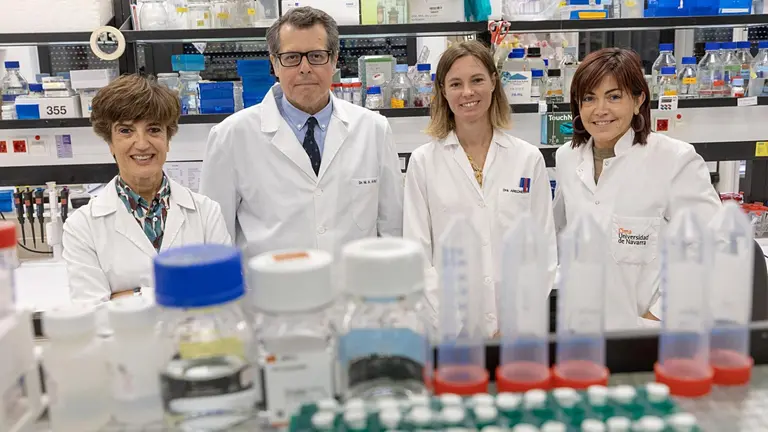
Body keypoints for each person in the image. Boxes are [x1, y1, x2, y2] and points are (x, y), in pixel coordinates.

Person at [200, 7, 403, 260]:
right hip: (271, 296)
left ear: (334, 60)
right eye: (292, 57)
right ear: (274, 63)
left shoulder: (373, 130)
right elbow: (215, 240)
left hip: (355, 294)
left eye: (317, 56)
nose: (305, 68)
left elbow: (393, 230)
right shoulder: (230, 137)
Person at [553, 48, 721, 330]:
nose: (600, 110)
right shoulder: (567, 158)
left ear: (638, 99)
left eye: (614, 96)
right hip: (579, 326)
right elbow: (561, 234)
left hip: (647, 329)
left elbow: (712, 245)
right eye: (589, 98)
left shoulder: (674, 159)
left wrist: (659, 314)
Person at [403, 40, 558, 336]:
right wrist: (450, 320)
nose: (467, 92)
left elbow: (542, 253)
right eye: (456, 84)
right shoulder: (423, 162)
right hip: (448, 328)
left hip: (517, 329)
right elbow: (417, 256)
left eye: (477, 80)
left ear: (493, 83)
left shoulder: (527, 159)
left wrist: (513, 322)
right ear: (443, 92)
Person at [63, 74, 231, 304]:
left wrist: (130, 296)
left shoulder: (206, 213)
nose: (142, 144)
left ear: (168, 139)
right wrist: (184, 292)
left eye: (153, 129)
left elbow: (224, 295)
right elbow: (92, 314)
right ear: (110, 143)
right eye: (126, 131)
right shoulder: (81, 227)